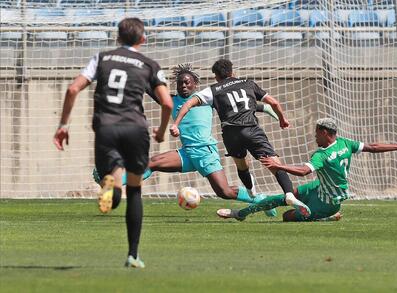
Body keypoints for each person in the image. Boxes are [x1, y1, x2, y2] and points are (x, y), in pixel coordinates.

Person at [53, 18, 173, 268]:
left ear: (117, 38)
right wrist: (161, 132)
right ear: (143, 39)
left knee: (113, 182)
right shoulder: (150, 64)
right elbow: (167, 103)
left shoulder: (102, 58)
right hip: (135, 129)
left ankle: (110, 188)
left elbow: (73, 89)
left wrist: (63, 125)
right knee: (136, 190)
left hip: (106, 127)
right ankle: (133, 255)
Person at [92, 63, 280, 216]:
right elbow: (150, 88)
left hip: (205, 152)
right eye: (180, 83)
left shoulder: (207, 98)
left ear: (195, 84)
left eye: (187, 82)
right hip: (187, 152)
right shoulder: (171, 101)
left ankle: (261, 200)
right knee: (151, 163)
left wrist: (270, 111)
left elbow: (241, 106)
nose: (183, 85)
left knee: (224, 192)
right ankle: (111, 185)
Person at [170, 59, 311, 217]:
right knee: (274, 163)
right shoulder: (248, 83)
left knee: (242, 165)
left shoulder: (213, 90)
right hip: (251, 129)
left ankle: (251, 191)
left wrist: (176, 124)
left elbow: (188, 104)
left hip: (231, 134)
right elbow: (273, 102)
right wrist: (282, 119)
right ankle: (289, 194)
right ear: (232, 72)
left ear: (216, 76)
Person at [216, 118, 397, 222]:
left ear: (325, 133)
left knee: (287, 217)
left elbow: (303, 171)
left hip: (327, 204)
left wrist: (279, 165)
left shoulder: (322, 155)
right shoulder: (345, 143)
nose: (315, 137)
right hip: (320, 188)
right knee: (285, 196)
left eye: (317, 133)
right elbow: (373, 147)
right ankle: (241, 213)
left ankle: (326, 217)